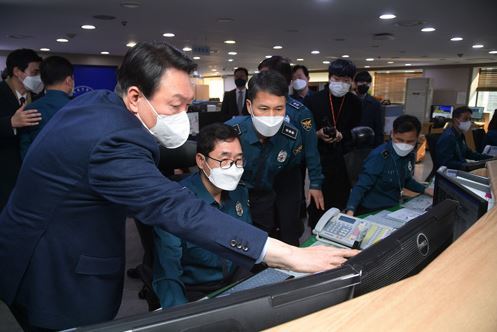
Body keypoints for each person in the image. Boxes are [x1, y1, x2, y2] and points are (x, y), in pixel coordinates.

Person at [0, 42, 357, 331]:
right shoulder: (113, 140)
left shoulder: (99, 103)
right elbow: (173, 207)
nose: (183, 115)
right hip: (54, 272)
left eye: (187, 103)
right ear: (136, 96)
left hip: (35, 240)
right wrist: (288, 253)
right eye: (176, 104)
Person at [153, 123, 252, 308]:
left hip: (236, 282)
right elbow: (168, 272)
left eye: (238, 160)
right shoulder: (176, 203)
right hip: (196, 291)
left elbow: (247, 244)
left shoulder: (239, 192)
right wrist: (179, 318)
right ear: (201, 160)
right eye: (224, 160)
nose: (233, 167)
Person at [258, 56, 324, 245]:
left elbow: (311, 150)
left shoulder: (299, 112)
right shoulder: (256, 108)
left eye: (267, 76)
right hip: (261, 176)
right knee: (262, 227)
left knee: (289, 227)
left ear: (285, 80)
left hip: (288, 177)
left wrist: (315, 184)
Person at [304, 59, 362, 226]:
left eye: (346, 80)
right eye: (337, 79)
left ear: (352, 81)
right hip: (320, 158)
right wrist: (318, 134)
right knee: (318, 201)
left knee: (340, 200)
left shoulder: (355, 102)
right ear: (329, 78)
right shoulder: (314, 100)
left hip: (345, 159)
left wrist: (342, 135)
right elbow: (305, 132)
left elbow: (357, 130)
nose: (341, 84)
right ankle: (315, 227)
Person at [345, 115, 433, 216]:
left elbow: (406, 180)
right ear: (392, 134)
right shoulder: (379, 156)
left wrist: (425, 190)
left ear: (417, 138)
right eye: (399, 140)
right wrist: (350, 210)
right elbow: (360, 186)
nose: (404, 145)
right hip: (372, 210)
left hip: (393, 207)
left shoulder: (410, 154)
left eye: (410, 141)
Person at [0, 48, 43, 211]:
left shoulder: (38, 97)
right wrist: (10, 122)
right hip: (5, 174)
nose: (38, 77)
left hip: (31, 173)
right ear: (17, 71)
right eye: (35, 72)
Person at [19, 55, 74, 159]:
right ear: (69, 80)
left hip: (36, 169)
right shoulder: (79, 107)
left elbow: (25, 148)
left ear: (42, 80)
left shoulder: (29, 109)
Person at [436, 106, 492, 170]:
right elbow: (446, 163)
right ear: (455, 120)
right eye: (465, 119)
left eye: (470, 119)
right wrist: (469, 166)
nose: (469, 122)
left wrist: (491, 158)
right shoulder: (448, 137)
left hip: (460, 169)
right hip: (451, 174)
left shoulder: (459, 135)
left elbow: (468, 153)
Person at [354, 70, 384, 148]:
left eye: (367, 83)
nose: (364, 84)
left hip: (368, 143)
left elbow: (378, 127)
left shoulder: (375, 103)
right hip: (350, 142)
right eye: (361, 82)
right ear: (355, 83)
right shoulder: (347, 100)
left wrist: (379, 147)